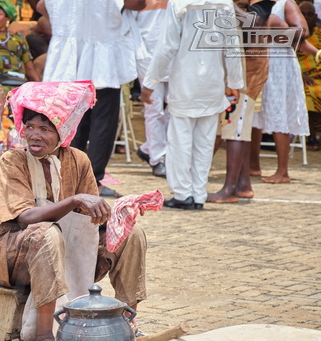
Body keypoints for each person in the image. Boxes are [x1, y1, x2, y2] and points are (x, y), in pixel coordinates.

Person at [0, 81, 151, 341]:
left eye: (45, 129)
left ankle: (127, 324)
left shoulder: (78, 160)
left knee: (131, 233)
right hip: (9, 252)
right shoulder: (12, 160)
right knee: (46, 233)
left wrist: (120, 214)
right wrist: (73, 201)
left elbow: (91, 219)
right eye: (29, 126)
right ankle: (45, 337)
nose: (34, 134)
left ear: (64, 132)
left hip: (69, 250)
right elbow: (25, 218)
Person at [141, 0, 243, 210]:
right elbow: (232, 46)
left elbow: (167, 46)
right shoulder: (225, 4)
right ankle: (198, 194)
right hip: (213, 83)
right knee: (204, 142)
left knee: (180, 141)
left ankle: (182, 194)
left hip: (185, 82)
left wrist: (150, 82)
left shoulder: (179, 3)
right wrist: (235, 82)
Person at [38, 0, 146, 198]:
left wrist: (68, 22)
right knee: (103, 123)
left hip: (70, 58)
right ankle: (92, 181)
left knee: (73, 122)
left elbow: (41, 6)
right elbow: (137, 3)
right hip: (102, 59)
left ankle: (70, 178)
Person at [208, 5, 269, 203]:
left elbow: (257, 24)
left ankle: (230, 189)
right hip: (241, 72)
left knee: (234, 129)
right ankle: (243, 184)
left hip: (246, 74)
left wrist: (228, 5)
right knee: (236, 129)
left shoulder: (236, 7)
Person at [250, 0, 310, 183]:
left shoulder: (285, 3)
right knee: (252, 114)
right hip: (257, 60)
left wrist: (271, 31)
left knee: (278, 113)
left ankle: (282, 171)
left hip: (279, 63)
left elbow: (303, 32)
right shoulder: (250, 3)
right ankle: (253, 166)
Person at [134, 0, 169, 178]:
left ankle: (149, 149)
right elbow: (129, 24)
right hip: (147, 54)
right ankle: (158, 159)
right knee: (154, 108)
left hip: (174, 54)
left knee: (176, 108)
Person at [298, 1, 321, 149]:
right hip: (300, 78)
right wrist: (300, 75)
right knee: (309, 92)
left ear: (315, 17)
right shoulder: (293, 35)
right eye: (302, 15)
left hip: (319, 77)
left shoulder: (319, 33)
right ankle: (311, 137)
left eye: (310, 15)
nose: (306, 18)